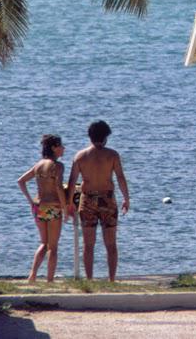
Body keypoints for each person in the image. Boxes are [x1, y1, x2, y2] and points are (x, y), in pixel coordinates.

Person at [67, 120, 130, 281]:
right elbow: (120, 177)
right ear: (106, 137)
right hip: (107, 199)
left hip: (87, 199)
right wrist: (126, 198)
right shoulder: (112, 155)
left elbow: (72, 181)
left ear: (90, 136)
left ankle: (89, 279)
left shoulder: (80, 156)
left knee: (88, 244)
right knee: (111, 243)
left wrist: (68, 203)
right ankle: (111, 279)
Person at [17, 134, 73, 282]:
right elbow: (59, 188)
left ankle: (33, 275)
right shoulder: (58, 166)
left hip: (38, 207)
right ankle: (49, 280)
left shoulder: (39, 165)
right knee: (53, 247)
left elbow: (21, 181)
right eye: (61, 146)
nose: (63, 148)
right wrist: (65, 209)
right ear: (54, 148)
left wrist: (30, 201)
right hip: (53, 207)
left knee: (44, 243)